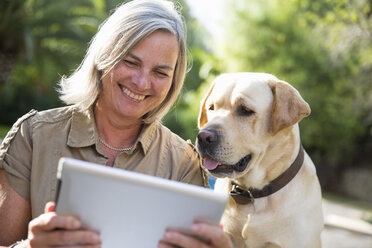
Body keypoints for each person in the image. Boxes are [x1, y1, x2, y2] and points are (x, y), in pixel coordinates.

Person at [0, 0, 234, 247]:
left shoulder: (183, 164)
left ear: (172, 81)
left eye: (160, 73)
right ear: (104, 56)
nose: (142, 83)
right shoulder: (35, 136)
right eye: (131, 62)